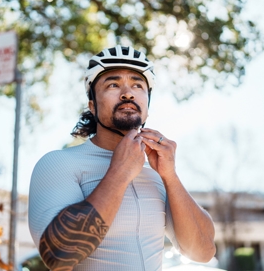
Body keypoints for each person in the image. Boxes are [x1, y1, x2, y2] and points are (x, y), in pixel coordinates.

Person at [28, 45, 216, 271]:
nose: (128, 93)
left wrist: (170, 176)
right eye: (113, 84)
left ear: (147, 105)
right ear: (92, 106)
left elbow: (203, 251)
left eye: (138, 85)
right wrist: (120, 172)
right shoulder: (59, 164)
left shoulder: (157, 176)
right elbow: (58, 255)